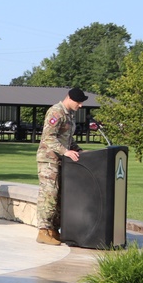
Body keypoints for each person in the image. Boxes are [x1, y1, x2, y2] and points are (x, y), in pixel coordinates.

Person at [36, 87, 86, 245]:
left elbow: (67, 139)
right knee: (49, 194)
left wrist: (79, 151)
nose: (80, 105)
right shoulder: (56, 112)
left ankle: (53, 229)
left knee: (59, 196)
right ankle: (43, 231)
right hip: (48, 160)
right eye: (78, 102)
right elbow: (48, 138)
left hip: (61, 161)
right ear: (70, 99)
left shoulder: (70, 115)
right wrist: (66, 151)